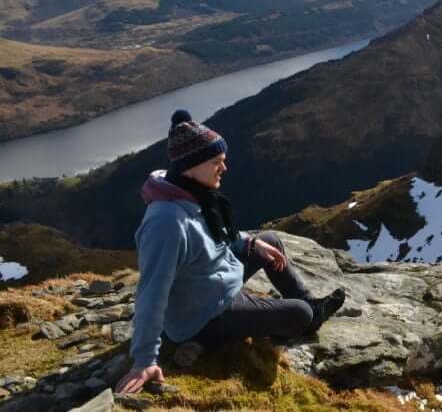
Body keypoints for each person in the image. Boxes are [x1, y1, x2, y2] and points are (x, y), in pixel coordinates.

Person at [116, 109, 346, 394]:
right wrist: (144, 360)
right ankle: (302, 316)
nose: (223, 169)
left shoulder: (188, 192)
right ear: (192, 165)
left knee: (269, 240)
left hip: (211, 285)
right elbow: (151, 292)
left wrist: (247, 244)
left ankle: (313, 306)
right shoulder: (166, 223)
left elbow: (215, 236)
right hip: (203, 316)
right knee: (299, 315)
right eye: (216, 162)